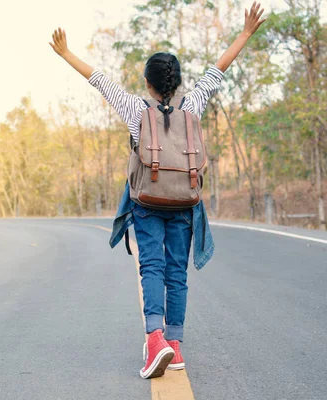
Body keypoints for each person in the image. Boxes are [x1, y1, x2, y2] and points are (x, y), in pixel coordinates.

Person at [50, 1, 266, 379]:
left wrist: (66, 52)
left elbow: (99, 79)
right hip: (184, 201)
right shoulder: (193, 105)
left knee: (151, 266)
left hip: (147, 202)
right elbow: (220, 68)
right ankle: (176, 345)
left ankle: (155, 341)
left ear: (148, 83)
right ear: (177, 83)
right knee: (176, 272)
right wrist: (246, 32)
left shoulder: (135, 109)